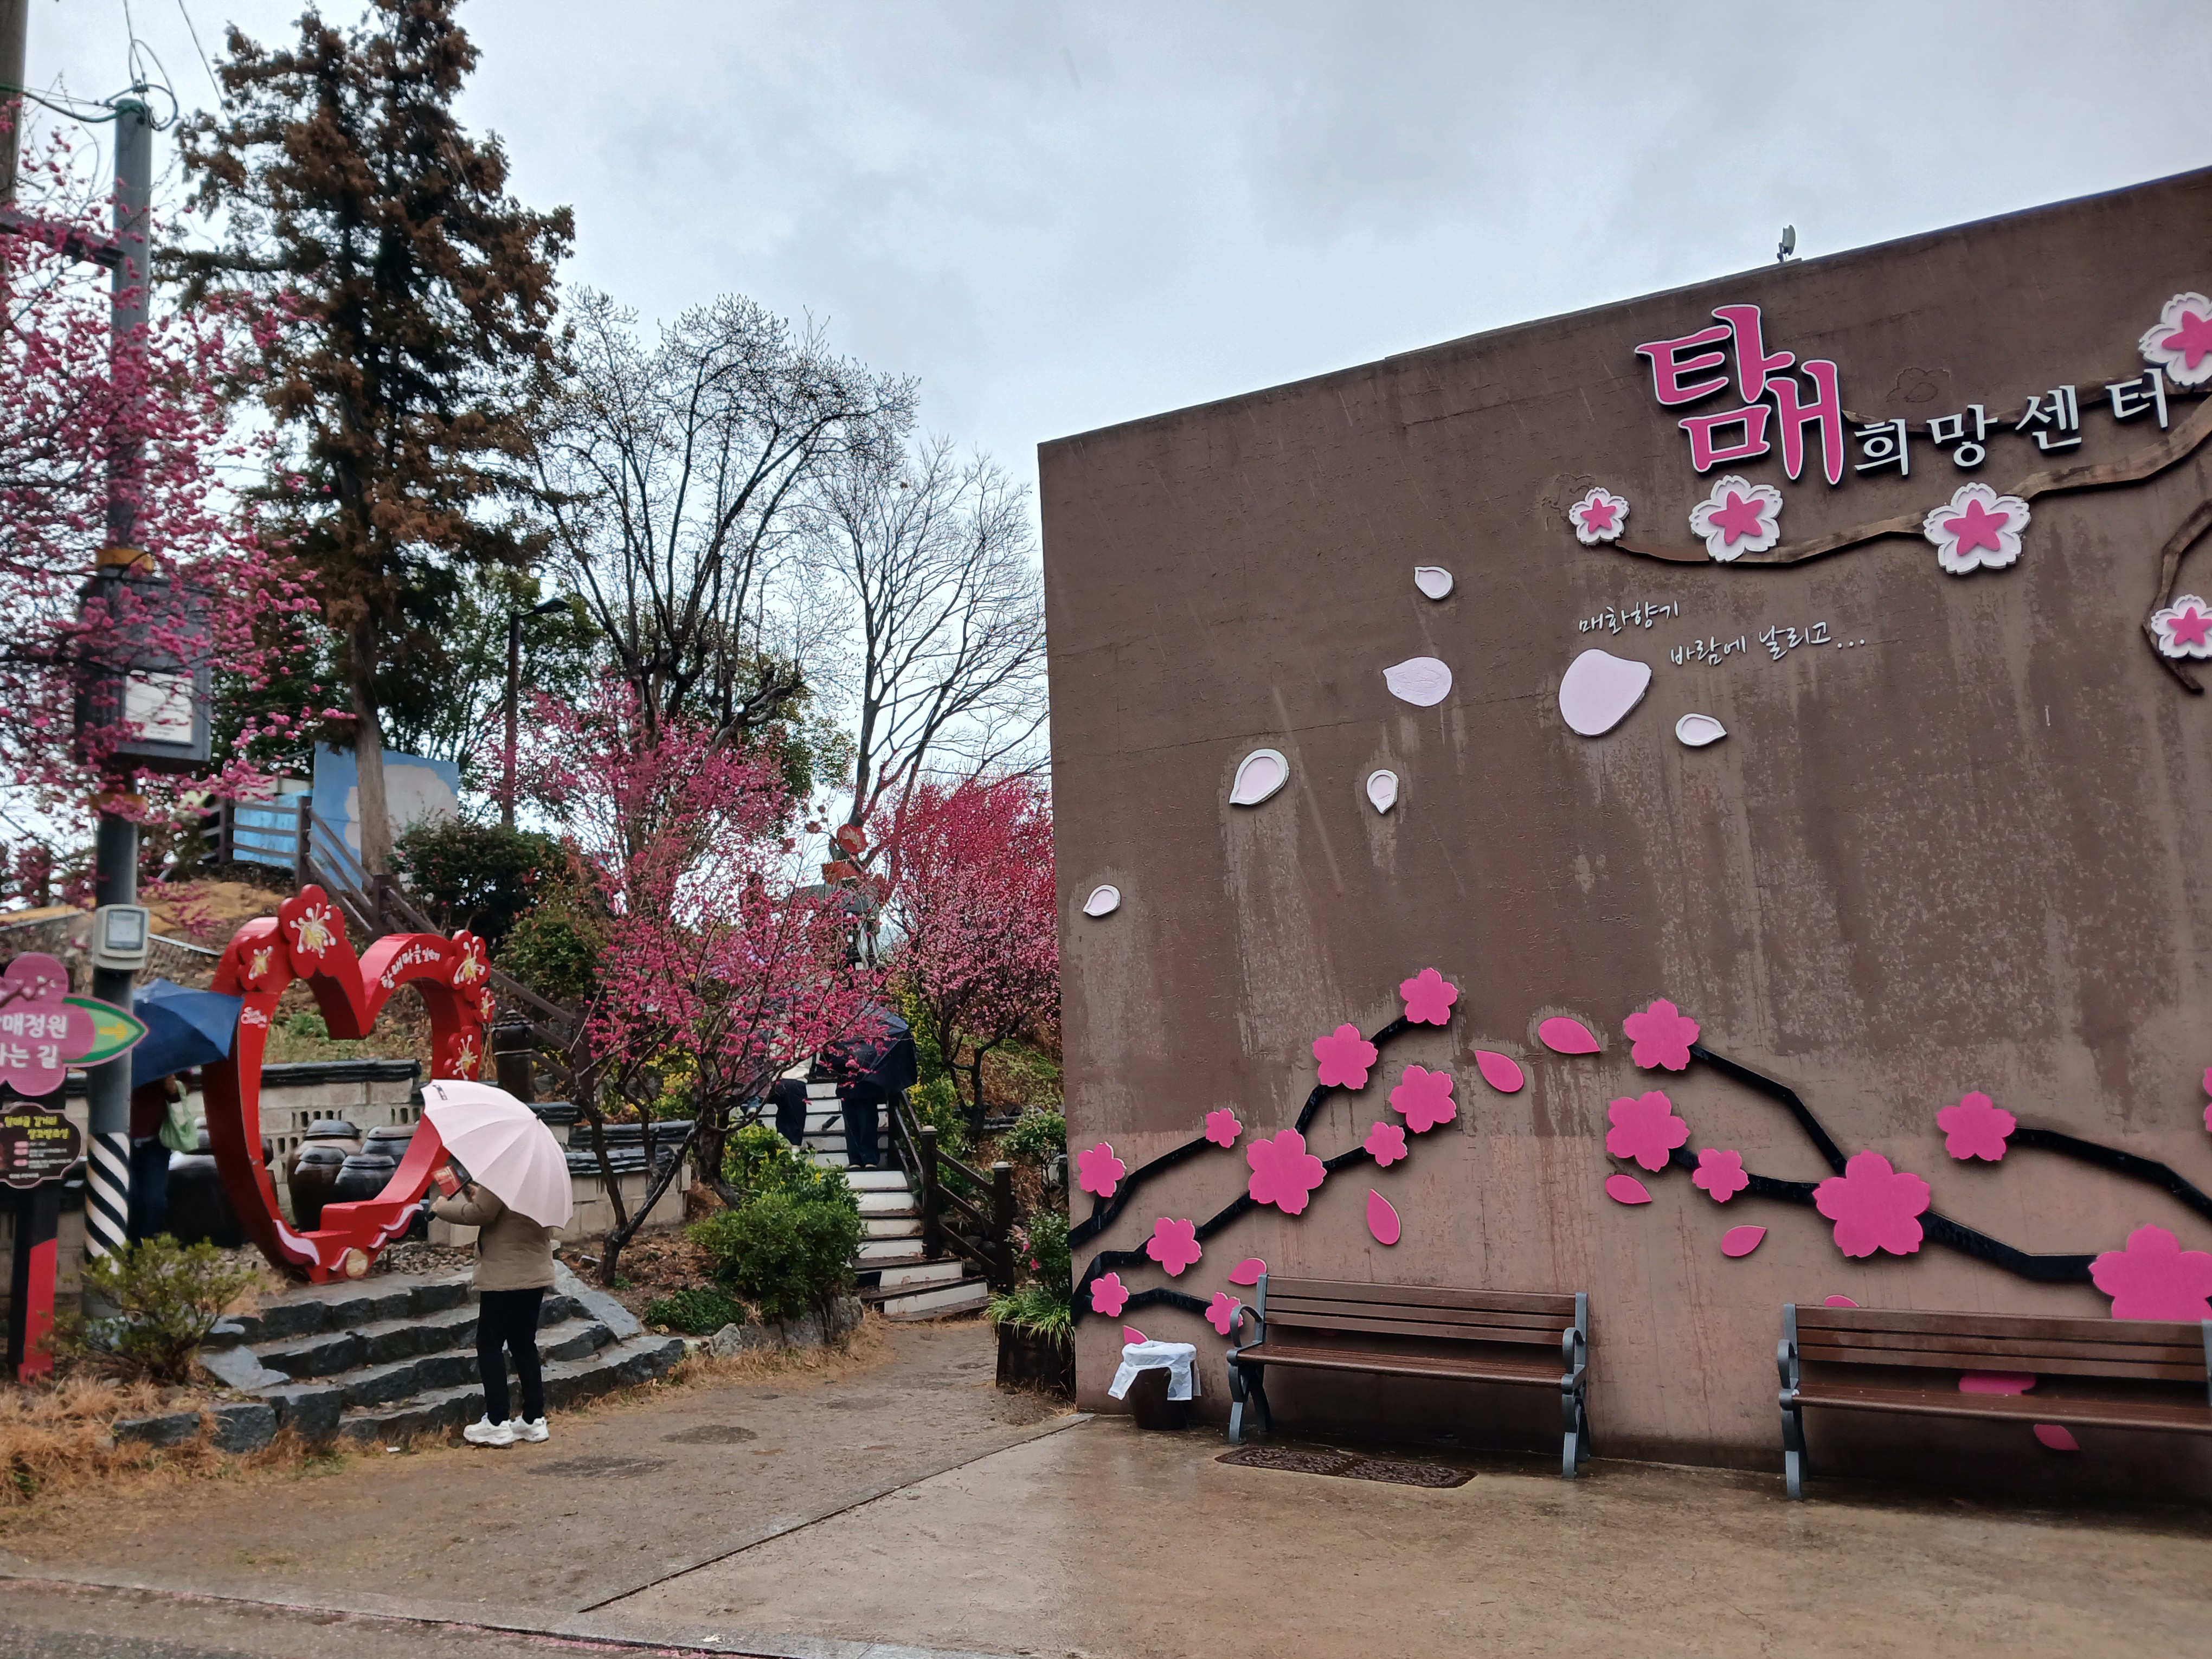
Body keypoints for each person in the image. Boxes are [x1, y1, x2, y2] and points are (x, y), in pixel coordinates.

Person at [432, 1169, 555, 1448]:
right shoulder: (544, 1175)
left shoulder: (505, 1170)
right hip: (535, 1272)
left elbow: (481, 1213)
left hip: (504, 1275)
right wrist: (478, 1195)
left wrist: (441, 1207)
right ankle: (534, 1419)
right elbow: (508, 1211)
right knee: (524, 1343)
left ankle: (498, 1421)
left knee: (490, 1343)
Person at [126, 1073, 182, 1243]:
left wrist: (174, 1088)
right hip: (117, 1138)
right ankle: (126, 1247)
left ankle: (143, 1249)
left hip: (154, 1139)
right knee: (129, 1196)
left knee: (154, 1202)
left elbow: (182, 1085)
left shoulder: (164, 1058)